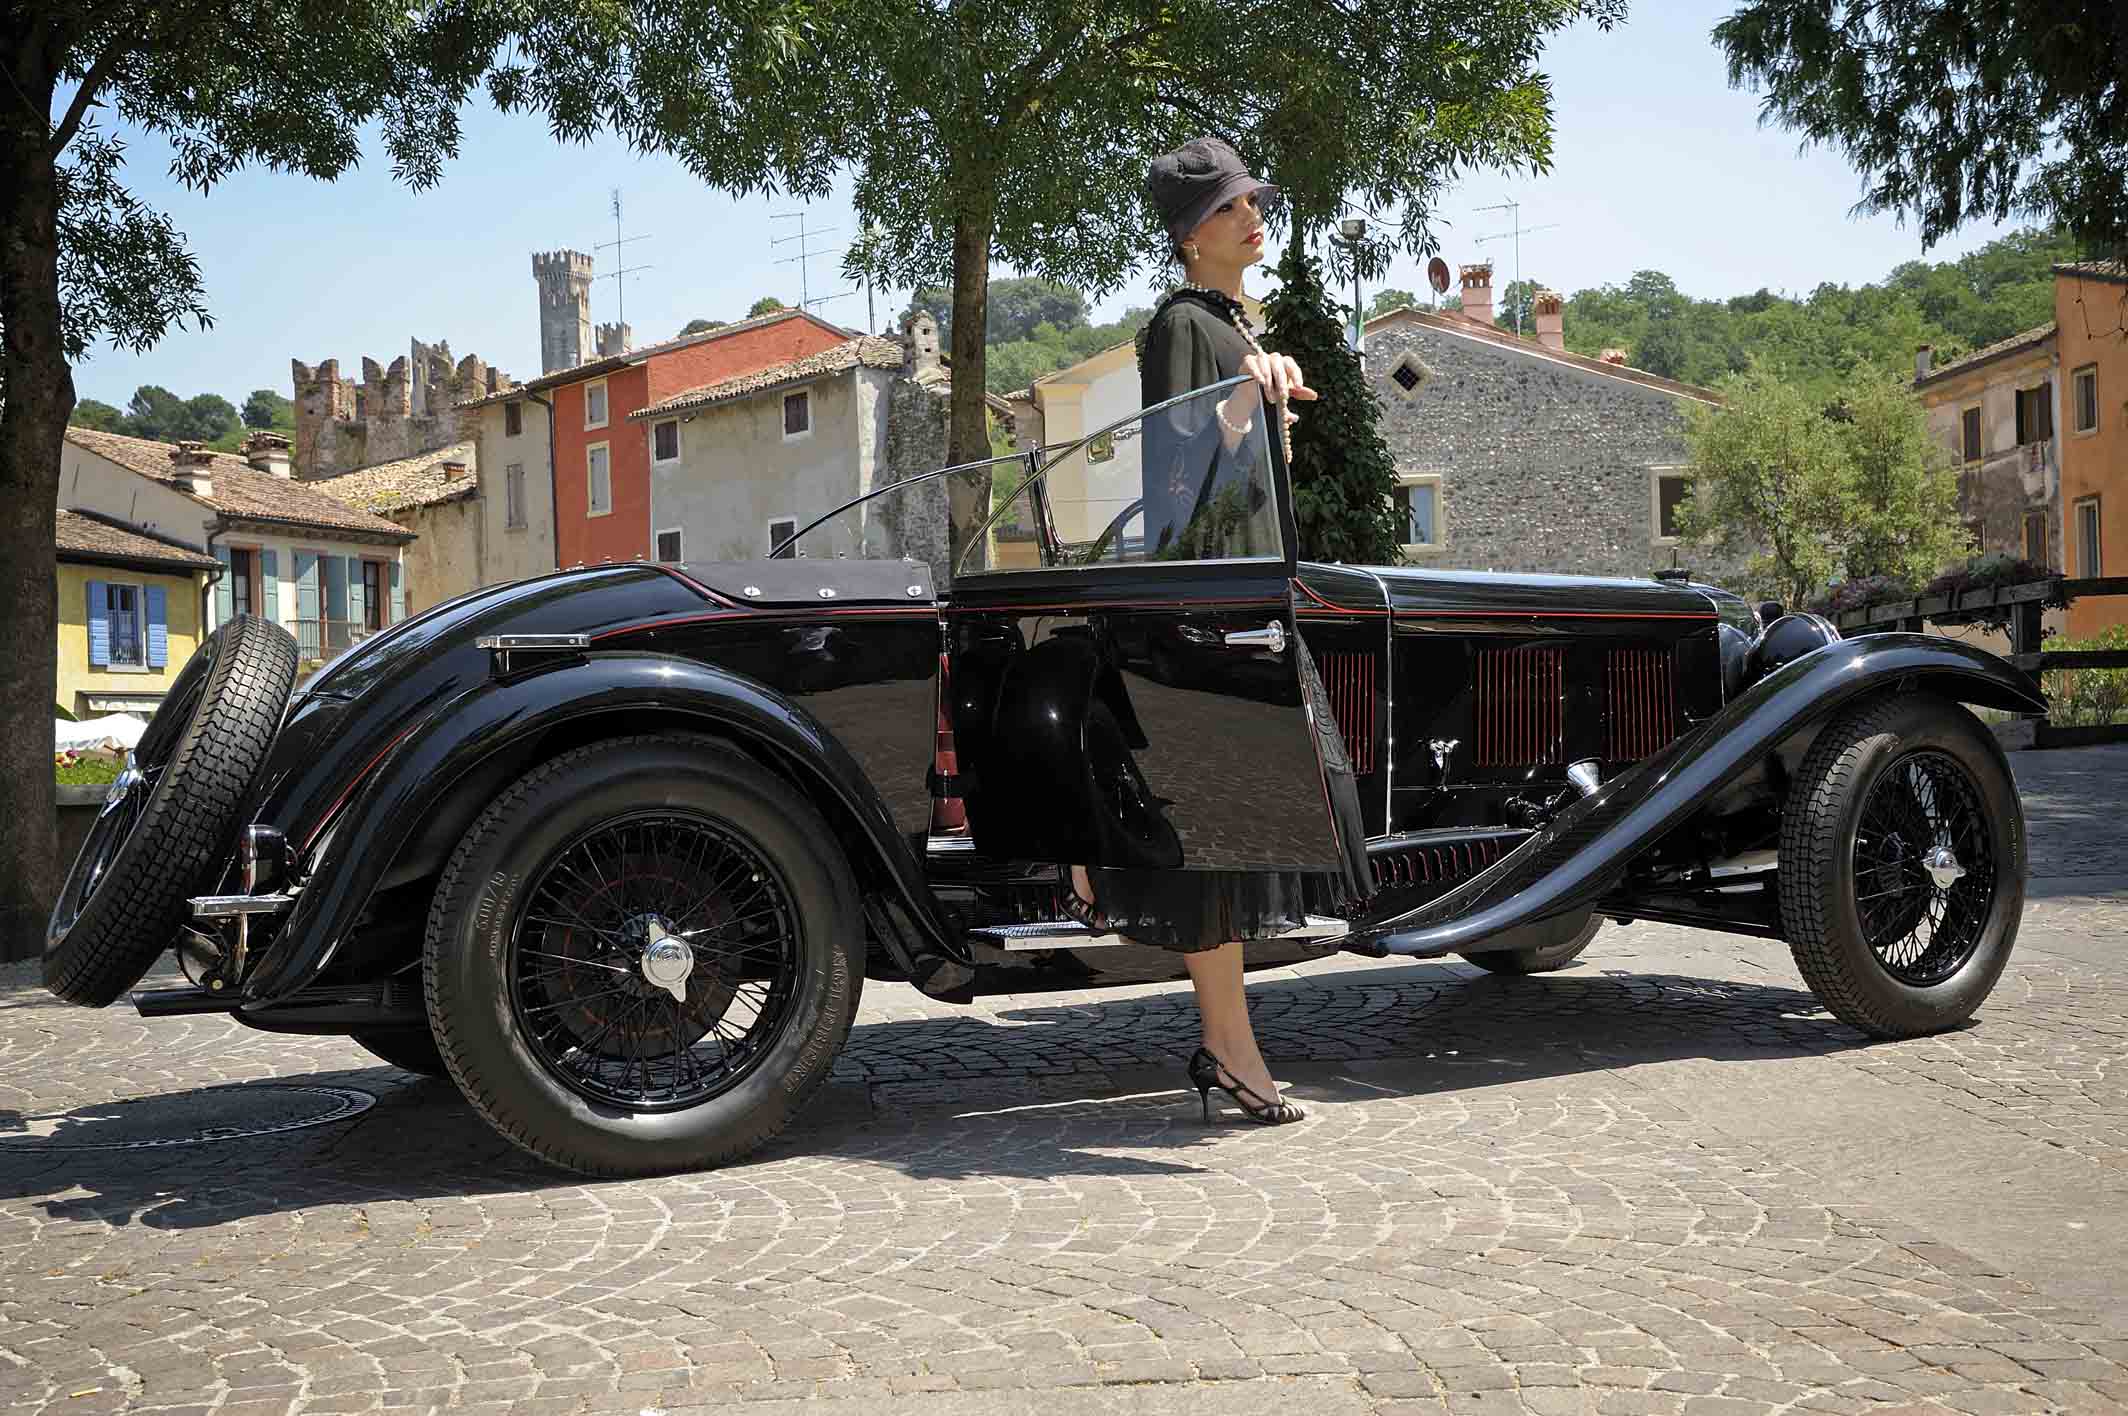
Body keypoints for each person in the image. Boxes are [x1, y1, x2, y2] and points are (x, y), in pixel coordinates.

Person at [1065, 135, 1321, 1127]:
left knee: (1231, 832)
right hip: (1210, 607)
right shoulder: (1182, 324)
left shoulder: (1228, 322)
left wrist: (1258, 412)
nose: (1252, 215)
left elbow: (1231, 471)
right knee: (1216, 834)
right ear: (1188, 236)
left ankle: (1230, 1049)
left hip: (1244, 595)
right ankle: (1230, 1051)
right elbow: (1174, 477)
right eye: (1228, 207)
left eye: (1252, 200)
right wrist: (1242, 401)